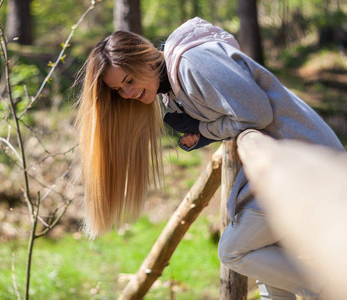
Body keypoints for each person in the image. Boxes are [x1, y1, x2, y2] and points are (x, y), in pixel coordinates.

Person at [75, 17, 345, 299]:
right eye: (119, 90)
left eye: (129, 80)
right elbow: (236, 115)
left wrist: (203, 129)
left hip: (299, 159)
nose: (128, 93)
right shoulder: (172, 90)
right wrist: (202, 134)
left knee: (234, 250)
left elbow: (257, 114)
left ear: (145, 58)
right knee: (271, 273)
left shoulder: (192, 62)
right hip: (281, 161)